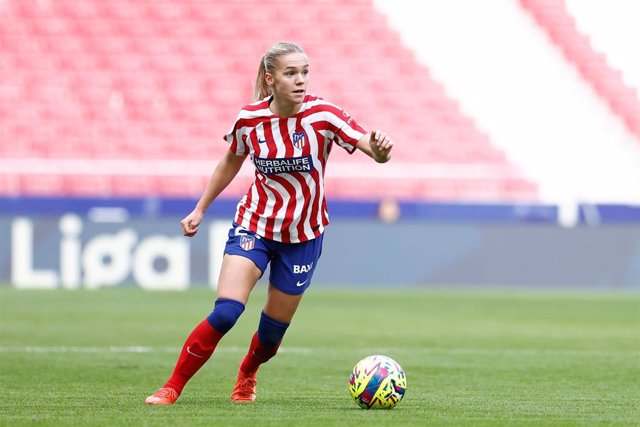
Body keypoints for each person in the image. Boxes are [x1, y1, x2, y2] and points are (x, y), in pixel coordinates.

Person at [145, 41, 393, 405]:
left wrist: (382, 151)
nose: (300, 80)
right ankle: (171, 386)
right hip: (255, 225)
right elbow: (230, 162)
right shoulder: (250, 119)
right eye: (291, 73)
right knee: (227, 312)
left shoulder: (323, 115)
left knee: (270, 336)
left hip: (304, 236)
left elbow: (369, 145)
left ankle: (248, 371)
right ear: (270, 78)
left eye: (305, 72)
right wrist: (201, 208)